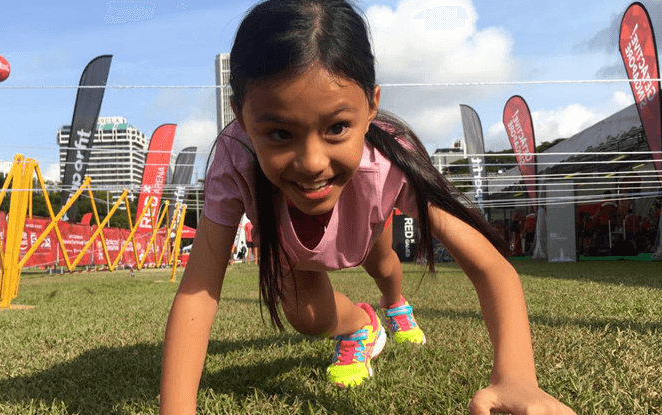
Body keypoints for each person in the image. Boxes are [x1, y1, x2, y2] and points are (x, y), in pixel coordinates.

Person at [160, 1, 576, 414]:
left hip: (368, 223)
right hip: (294, 253)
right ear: (242, 119)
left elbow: (490, 266)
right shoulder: (235, 157)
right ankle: (363, 325)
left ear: (372, 106)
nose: (312, 162)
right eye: (280, 133)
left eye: (337, 128)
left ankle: (394, 304)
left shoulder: (390, 161)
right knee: (307, 318)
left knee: (384, 266)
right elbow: (198, 291)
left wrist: (517, 377)